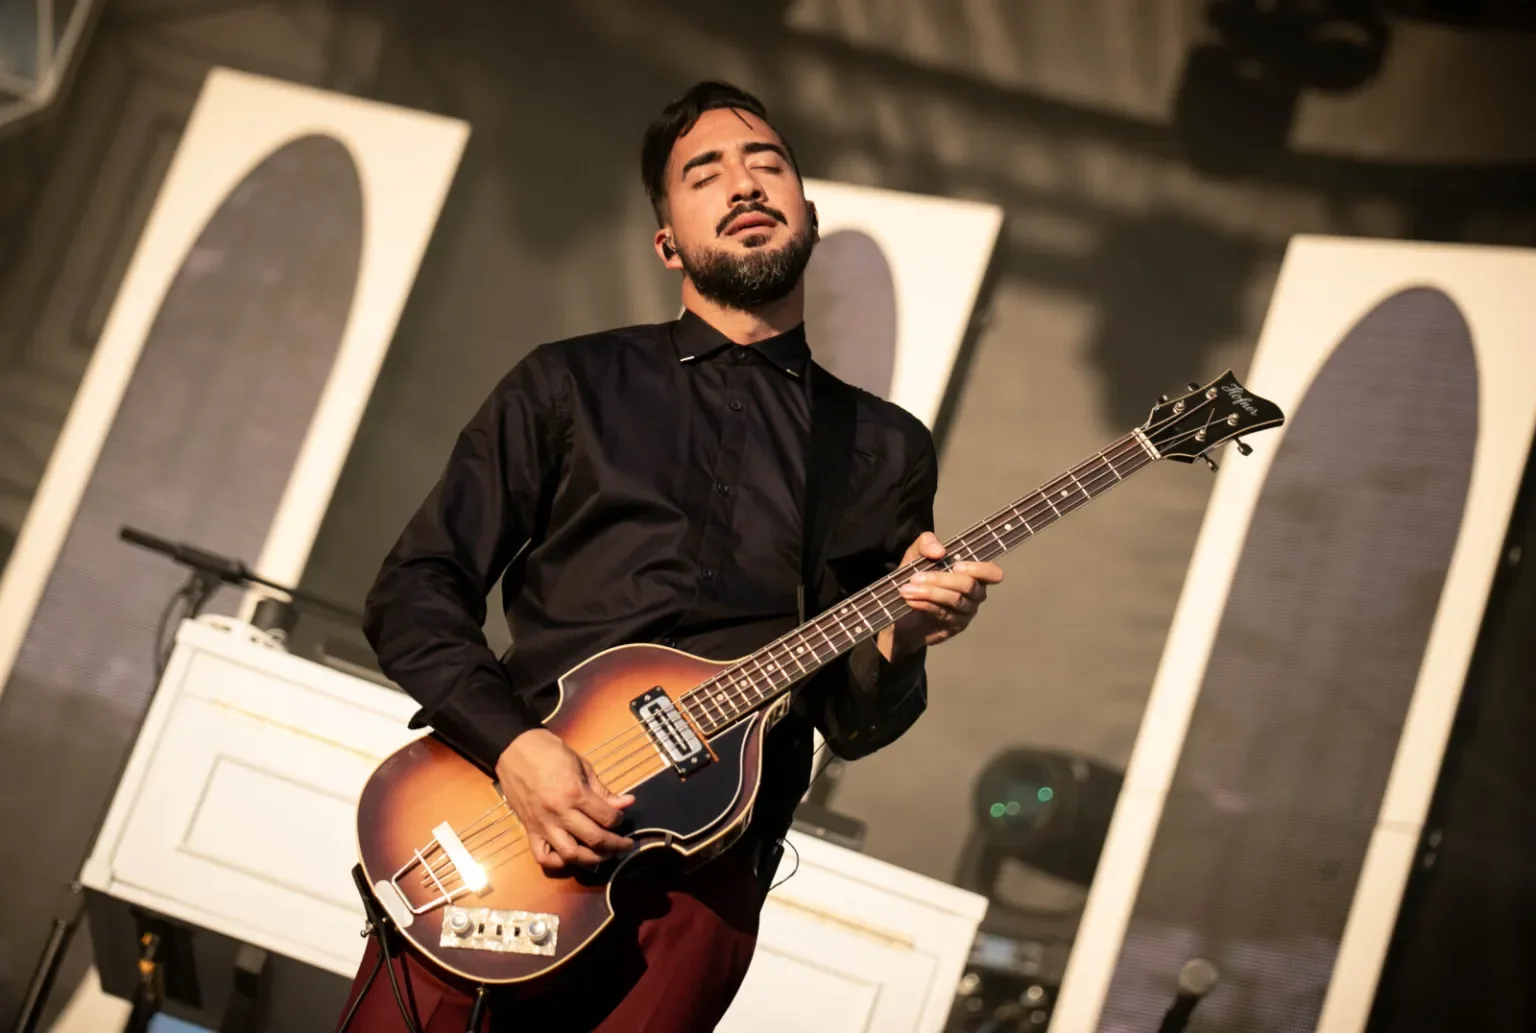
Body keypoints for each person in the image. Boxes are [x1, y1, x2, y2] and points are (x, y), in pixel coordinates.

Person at [336, 80, 1003, 1033]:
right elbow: (414, 590)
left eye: (768, 164)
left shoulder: (884, 447)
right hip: (508, 823)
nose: (745, 184)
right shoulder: (569, 383)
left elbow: (853, 721)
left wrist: (904, 641)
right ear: (667, 243)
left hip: (700, 889)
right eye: (705, 173)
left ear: (809, 214)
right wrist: (516, 747)